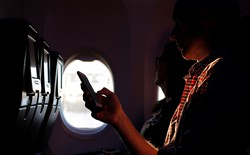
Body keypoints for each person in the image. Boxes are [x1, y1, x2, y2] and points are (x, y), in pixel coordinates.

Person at [81, 0, 250, 154]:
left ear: (207, 21)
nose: (173, 35)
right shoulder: (203, 75)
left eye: (179, 23)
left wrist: (119, 120)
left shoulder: (222, 74)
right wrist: (118, 118)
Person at [140, 41, 194, 148]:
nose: (156, 66)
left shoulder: (175, 111)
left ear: (168, 66)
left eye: (159, 61)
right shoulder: (166, 105)